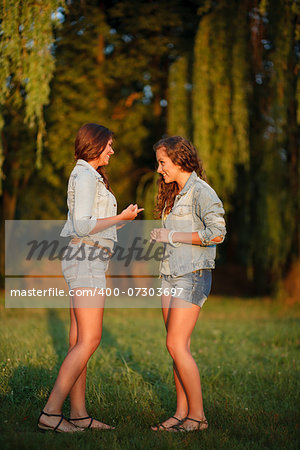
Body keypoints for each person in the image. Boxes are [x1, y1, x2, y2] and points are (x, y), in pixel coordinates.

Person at [37, 123, 143, 433]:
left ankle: (79, 415)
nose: (112, 150)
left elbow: (90, 223)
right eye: (109, 144)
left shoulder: (88, 176)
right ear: (94, 145)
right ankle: (51, 412)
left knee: (78, 340)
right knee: (90, 339)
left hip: (87, 257)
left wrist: (121, 221)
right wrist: (120, 217)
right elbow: (83, 226)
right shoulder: (84, 175)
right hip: (86, 258)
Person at [150, 136, 226, 432]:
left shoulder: (201, 191)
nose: (159, 169)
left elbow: (217, 233)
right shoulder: (175, 193)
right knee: (177, 347)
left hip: (191, 274)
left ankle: (198, 417)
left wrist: (172, 236)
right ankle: (181, 413)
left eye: (162, 162)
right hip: (169, 273)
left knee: (175, 343)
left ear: (179, 160)